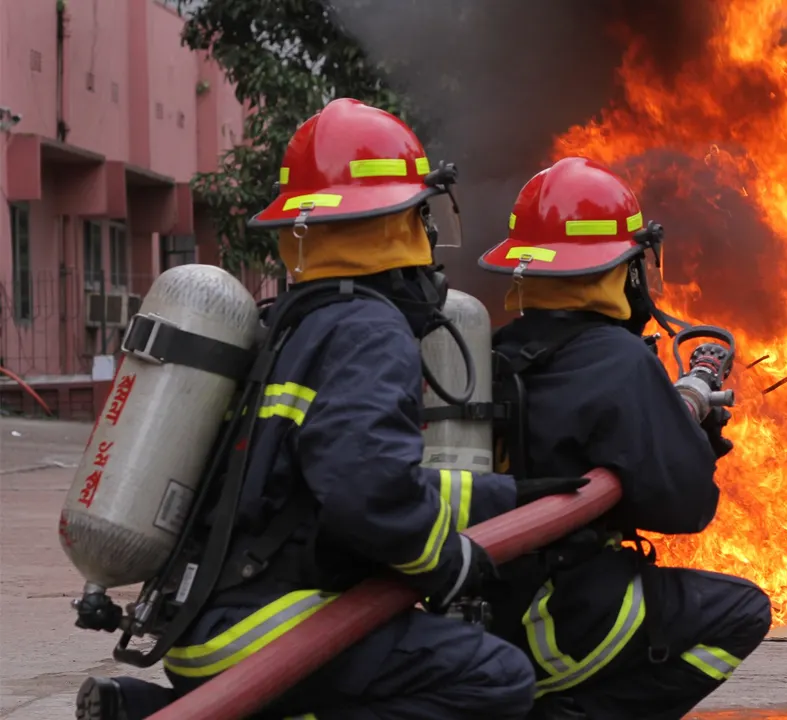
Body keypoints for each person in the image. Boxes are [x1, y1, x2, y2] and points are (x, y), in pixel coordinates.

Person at [76, 99, 546, 720]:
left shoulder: (296, 324)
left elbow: (347, 474)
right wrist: (448, 562)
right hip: (273, 632)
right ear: (400, 223)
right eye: (420, 215)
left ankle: (141, 707)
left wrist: (512, 497)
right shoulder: (369, 330)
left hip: (202, 622)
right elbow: (365, 489)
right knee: (495, 678)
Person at [474, 157, 773, 719]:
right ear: (625, 270)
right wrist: (696, 438)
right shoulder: (617, 360)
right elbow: (685, 508)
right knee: (741, 612)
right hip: (563, 620)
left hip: (485, 620)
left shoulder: (496, 351)